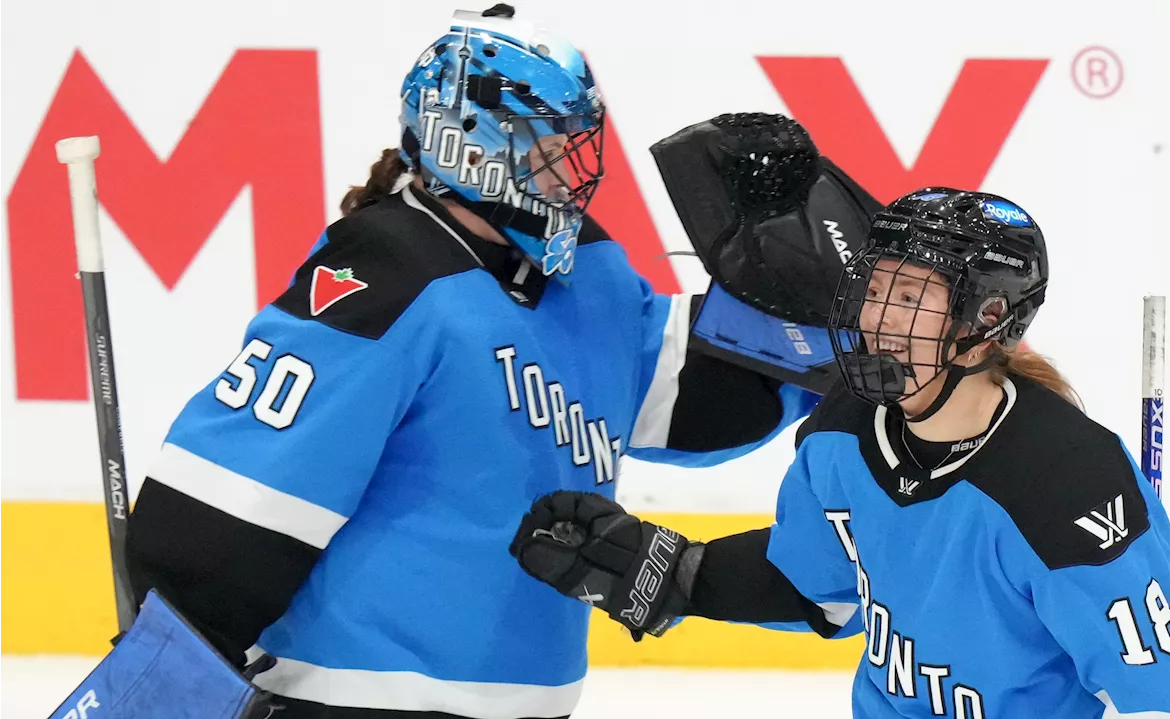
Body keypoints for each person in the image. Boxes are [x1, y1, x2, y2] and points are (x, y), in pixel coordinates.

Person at [121, 6, 827, 719]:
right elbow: (229, 505)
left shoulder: (587, 269)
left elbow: (690, 396)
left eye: (576, 147)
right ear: (471, 147)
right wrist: (168, 677)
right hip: (354, 703)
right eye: (550, 150)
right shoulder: (384, 276)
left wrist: (816, 308)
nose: (572, 174)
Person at [511, 188, 1170, 719]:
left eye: (910, 295)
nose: (879, 317)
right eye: (876, 288)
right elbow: (819, 586)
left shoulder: (1067, 481)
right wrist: (679, 572)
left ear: (987, 321)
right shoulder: (842, 434)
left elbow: (1167, 696)